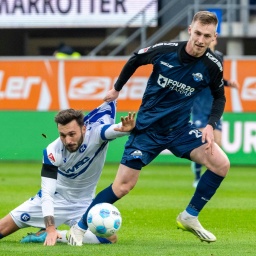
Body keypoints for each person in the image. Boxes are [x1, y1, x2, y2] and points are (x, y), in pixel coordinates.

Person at [67, 11, 230, 246]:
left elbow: (220, 98)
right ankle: (80, 227)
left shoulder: (212, 65)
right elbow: (135, 59)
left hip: (179, 131)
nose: (200, 40)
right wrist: (116, 89)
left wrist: (210, 124)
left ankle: (189, 216)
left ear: (214, 36)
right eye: (197, 33)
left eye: (206, 35)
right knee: (123, 187)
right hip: (146, 131)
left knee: (221, 164)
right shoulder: (165, 50)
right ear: (189, 31)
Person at [0, 101, 135, 246]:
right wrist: (51, 227)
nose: (68, 140)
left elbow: (115, 129)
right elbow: (47, 194)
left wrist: (126, 129)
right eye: (63, 135)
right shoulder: (52, 151)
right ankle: (49, 231)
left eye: (72, 134)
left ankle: (56, 236)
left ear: (84, 129)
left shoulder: (96, 134)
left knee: (109, 238)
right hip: (56, 199)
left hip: (83, 204)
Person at [191, 37, 239, 188]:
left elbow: (216, 79)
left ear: (214, 39)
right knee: (201, 143)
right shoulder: (197, 55)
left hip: (214, 106)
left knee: (217, 142)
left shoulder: (218, 56)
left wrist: (228, 83)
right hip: (199, 105)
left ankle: (209, 177)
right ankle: (197, 177)